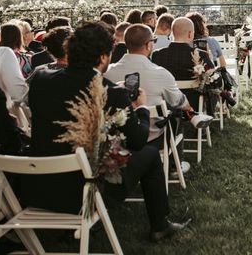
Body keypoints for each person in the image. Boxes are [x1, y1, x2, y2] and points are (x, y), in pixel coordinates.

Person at [26, 21, 190, 241]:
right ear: (103, 57)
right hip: (85, 192)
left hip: (37, 187)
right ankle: (160, 225)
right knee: (150, 154)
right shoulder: (110, 93)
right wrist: (140, 107)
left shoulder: (40, 79)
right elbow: (138, 141)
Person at [104, 24, 211, 174]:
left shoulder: (107, 72)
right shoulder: (161, 73)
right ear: (148, 45)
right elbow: (180, 101)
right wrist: (191, 111)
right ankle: (175, 165)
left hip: (115, 136)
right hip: (152, 136)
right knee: (176, 114)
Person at [152, 17, 216, 111]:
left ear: (171, 33)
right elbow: (212, 77)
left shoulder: (157, 55)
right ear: (190, 34)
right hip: (195, 103)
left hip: (168, 104)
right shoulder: (201, 54)